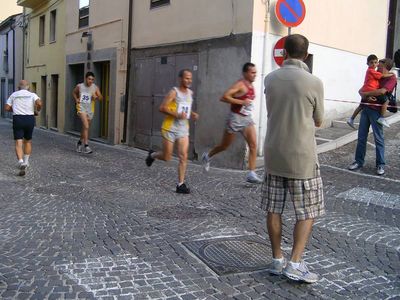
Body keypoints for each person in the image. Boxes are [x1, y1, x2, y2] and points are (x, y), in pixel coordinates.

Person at [262, 34, 325, 283]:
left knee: (273, 208)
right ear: (306, 54)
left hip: (273, 152)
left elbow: (271, 111)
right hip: (301, 157)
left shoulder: (270, 78)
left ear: (284, 53)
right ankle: (295, 263)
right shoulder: (314, 82)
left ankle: (277, 259)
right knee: (307, 211)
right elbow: (319, 119)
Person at [201, 63, 263, 184]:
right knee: (224, 146)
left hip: (246, 118)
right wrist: (241, 101)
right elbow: (224, 97)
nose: (255, 75)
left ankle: (251, 173)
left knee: (253, 144)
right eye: (252, 72)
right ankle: (207, 156)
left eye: (255, 72)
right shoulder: (240, 84)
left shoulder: (251, 85)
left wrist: (245, 104)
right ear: (245, 73)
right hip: (235, 118)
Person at [145, 69, 199, 194]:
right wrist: (176, 114)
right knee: (167, 156)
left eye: (190, 78)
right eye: (186, 78)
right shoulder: (174, 92)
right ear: (180, 79)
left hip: (183, 129)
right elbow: (162, 108)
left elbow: (185, 110)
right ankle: (152, 155)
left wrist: (193, 114)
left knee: (183, 156)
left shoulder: (190, 93)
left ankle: (180, 184)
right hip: (170, 128)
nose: (189, 80)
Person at [348, 58, 397, 176]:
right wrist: (364, 94)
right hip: (366, 108)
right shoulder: (375, 74)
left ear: (385, 66)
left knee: (378, 138)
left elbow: (382, 92)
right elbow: (362, 89)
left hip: (377, 112)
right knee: (361, 138)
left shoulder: (391, 78)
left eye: (379, 65)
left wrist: (367, 94)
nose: (376, 67)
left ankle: (380, 164)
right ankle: (358, 162)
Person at [5, 80, 42, 176]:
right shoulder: (32, 95)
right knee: (28, 141)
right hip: (29, 118)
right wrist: (37, 110)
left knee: (18, 141)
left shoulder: (14, 95)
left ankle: (21, 162)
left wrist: (15, 109)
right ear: (28, 87)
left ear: (18, 87)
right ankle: (26, 161)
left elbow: (7, 108)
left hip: (18, 118)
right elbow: (39, 104)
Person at [347, 54, 394, 129]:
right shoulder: (372, 71)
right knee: (386, 100)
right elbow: (382, 76)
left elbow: (361, 90)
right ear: (367, 63)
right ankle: (381, 118)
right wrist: (391, 74)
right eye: (372, 63)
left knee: (361, 106)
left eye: (376, 63)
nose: (375, 65)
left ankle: (351, 119)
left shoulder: (371, 71)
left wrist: (364, 94)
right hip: (370, 90)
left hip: (367, 89)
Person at [72, 71, 103, 154]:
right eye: (89, 79)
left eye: (92, 79)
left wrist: (96, 97)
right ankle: (86, 145)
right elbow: (74, 93)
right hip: (81, 108)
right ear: (86, 78)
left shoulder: (95, 87)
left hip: (90, 109)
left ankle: (79, 142)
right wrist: (76, 99)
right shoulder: (79, 86)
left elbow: (100, 98)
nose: (91, 81)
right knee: (86, 125)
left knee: (85, 128)